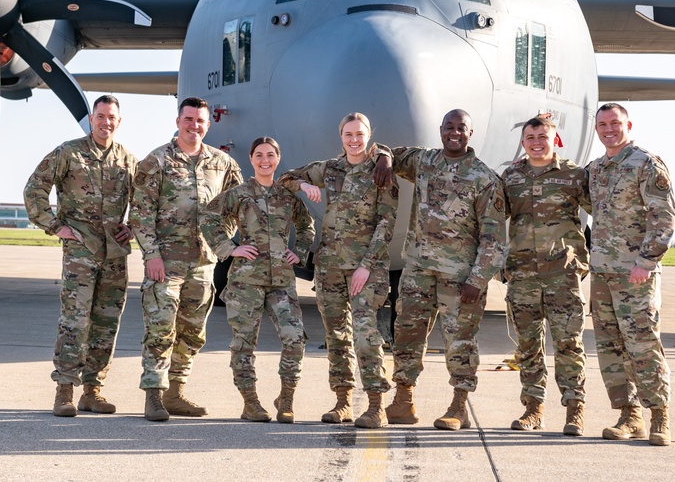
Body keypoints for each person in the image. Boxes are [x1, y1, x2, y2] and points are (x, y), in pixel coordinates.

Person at [380, 109, 508, 431]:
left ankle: (459, 406)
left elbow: (494, 238)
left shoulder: (484, 179)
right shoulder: (423, 161)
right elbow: (382, 150)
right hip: (418, 269)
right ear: (440, 130)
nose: (454, 132)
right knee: (406, 334)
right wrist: (383, 159)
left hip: (460, 278)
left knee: (460, 342)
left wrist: (477, 280)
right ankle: (403, 401)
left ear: (470, 133)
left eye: (460, 128)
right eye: (448, 127)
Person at [276, 113, 397, 429]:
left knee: (366, 335)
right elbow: (284, 179)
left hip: (364, 270)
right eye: (348, 134)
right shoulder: (329, 169)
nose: (354, 140)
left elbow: (387, 224)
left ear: (369, 135)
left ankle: (376, 406)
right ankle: (342, 402)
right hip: (329, 266)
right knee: (336, 336)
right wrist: (304, 184)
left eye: (359, 134)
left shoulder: (381, 171)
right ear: (340, 136)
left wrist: (366, 267)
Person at [23, 94, 137, 417]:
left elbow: (144, 203)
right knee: (74, 321)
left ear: (119, 121)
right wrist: (54, 226)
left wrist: (133, 227)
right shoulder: (69, 153)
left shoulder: (128, 161)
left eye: (111, 117)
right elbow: (34, 189)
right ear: (91, 119)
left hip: (114, 255)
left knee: (106, 323)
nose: (106, 122)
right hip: (80, 253)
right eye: (100, 116)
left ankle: (93, 391)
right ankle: (64, 391)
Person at [129, 97, 243, 422]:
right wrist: (151, 254)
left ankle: (175, 393)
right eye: (188, 119)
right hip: (165, 263)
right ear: (178, 121)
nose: (194, 125)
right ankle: (153, 394)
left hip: (204, 263)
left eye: (200, 121)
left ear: (209, 125)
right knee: (161, 327)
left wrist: (220, 240)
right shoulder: (156, 161)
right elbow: (140, 213)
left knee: (193, 332)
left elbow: (235, 208)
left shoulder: (223, 164)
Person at [203, 137, 315, 423]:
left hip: (281, 280)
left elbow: (306, 226)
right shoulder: (238, 194)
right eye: (259, 155)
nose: (265, 160)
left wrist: (298, 253)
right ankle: (250, 402)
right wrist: (230, 248)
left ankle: (286, 398)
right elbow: (208, 218)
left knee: (294, 339)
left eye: (270, 155)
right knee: (243, 343)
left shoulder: (288, 196)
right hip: (246, 281)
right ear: (251, 159)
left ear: (278, 159)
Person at [587, 103, 675, 446]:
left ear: (628, 125)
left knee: (643, 345)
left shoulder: (646, 164)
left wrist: (646, 262)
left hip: (635, 275)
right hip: (603, 275)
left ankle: (660, 416)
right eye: (602, 124)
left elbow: (664, 218)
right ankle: (629, 416)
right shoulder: (596, 170)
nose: (608, 129)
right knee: (611, 348)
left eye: (614, 123)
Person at [501, 114, 590, 435]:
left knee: (568, 344)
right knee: (528, 346)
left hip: (562, 276)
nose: (537, 143)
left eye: (543, 137)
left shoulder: (574, 176)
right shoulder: (511, 177)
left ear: (556, 140)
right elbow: (494, 218)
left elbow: (603, 212)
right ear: (523, 142)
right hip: (523, 275)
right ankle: (533, 409)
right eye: (530, 138)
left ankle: (574, 409)